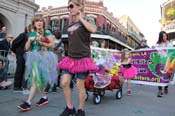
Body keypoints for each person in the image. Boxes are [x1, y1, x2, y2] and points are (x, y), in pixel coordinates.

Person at [57, 0, 98, 115]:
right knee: (64, 82)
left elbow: (93, 29)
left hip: (83, 58)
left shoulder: (87, 19)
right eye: (68, 6)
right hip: (70, 59)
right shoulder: (71, 23)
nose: (69, 9)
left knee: (80, 85)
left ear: (80, 6)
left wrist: (81, 18)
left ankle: (81, 110)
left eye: (71, 6)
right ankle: (70, 108)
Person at [17, 16, 57, 111]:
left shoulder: (47, 32)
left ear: (43, 22)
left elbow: (52, 46)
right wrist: (30, 40)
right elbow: (26, 48)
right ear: (34, 23)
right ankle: (44, 98)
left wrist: (41, 42)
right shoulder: (31, 33)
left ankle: (28, 103)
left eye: (40, 21)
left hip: (44, 58)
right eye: (36, 21)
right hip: (34, 59)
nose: (39, 22)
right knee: (37, 80)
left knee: (35, 80)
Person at [11, 25, 31, 92]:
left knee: (23, 70)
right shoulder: (23, 35)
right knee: (19, 69)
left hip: (25, 54)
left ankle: (20, 86)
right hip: (20, 53)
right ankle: (16, 86)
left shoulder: (30, 36)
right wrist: (15, 51)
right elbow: (14, 42)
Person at [155, 31, 173, 97]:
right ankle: (160, 90)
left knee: (167, 75)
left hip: (168, 61)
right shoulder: (158, 44)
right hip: (160, 61)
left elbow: (172, 52)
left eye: (165, 36)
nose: (165, 37)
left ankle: (165, 87)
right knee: (159, 75)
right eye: (163, 36)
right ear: (160, 37)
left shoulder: (170, 43)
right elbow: (155, 50)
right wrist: (153, 48)